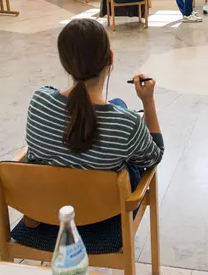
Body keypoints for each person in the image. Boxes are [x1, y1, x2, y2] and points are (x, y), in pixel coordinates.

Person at [26, 18, 163, 187]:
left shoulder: (39, 102)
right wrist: (148, 101)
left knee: (118, 104)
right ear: (110, 59)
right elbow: (154, 158)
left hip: (46, 208)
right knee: (121, 118)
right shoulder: (127, 124)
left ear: (64, 63)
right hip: (108, 213)